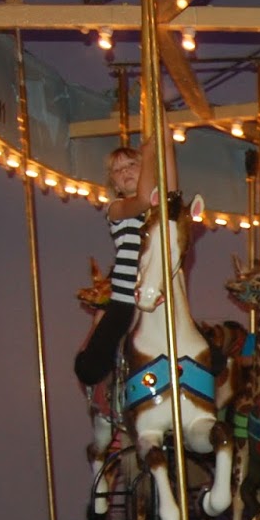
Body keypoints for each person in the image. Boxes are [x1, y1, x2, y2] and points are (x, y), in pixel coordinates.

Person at [74, 140, 159, 387]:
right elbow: (143, 200)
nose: (125, 172)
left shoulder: (160, 211)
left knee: (213, 358)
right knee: (89, 370)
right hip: (126, 298)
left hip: (157, 295)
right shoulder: (117, 209)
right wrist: (149, 154)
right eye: (118, 170)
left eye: (132, 165)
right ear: (114, 184)